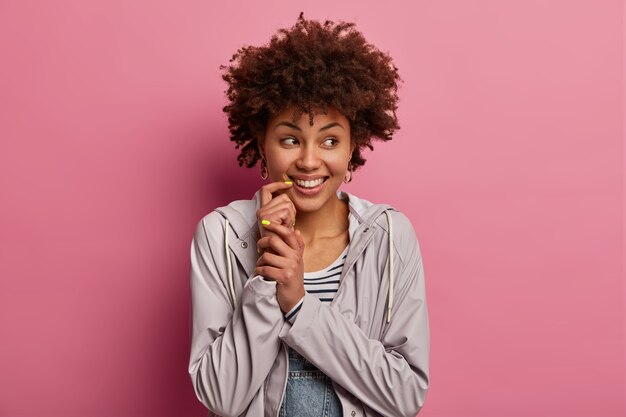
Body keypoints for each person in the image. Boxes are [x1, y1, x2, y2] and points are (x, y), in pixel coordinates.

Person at [188, 12, 430, 417]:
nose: (309, 160)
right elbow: (221, 398)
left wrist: (300, 304)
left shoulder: (389, 235)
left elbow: (405, 396)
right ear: (263, 146)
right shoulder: (221, 236)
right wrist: (267, 280)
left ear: (352, 149)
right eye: (289, 139)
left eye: (330, 140)